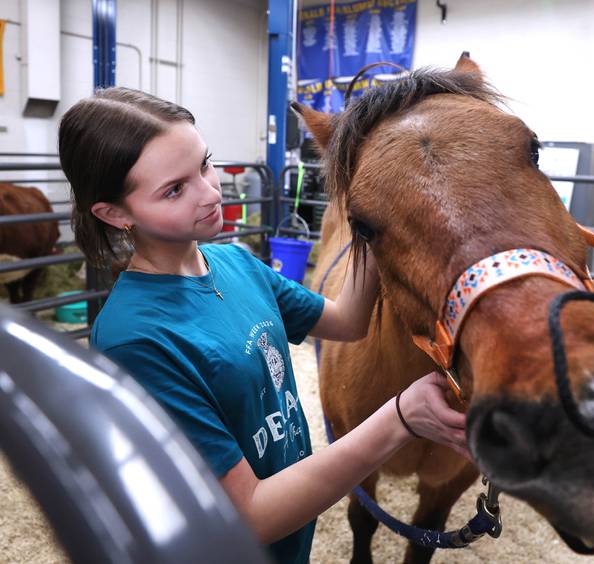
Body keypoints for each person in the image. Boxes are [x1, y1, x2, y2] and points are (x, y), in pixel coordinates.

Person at [58, 87, 468, 563]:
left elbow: (348, 320)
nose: (212, 193)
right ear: (114, 213)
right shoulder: (135, 340)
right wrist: (399, 418)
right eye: (175, 189)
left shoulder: (235, 262)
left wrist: (377, 209)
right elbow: (249, 514)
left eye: (205, 164)